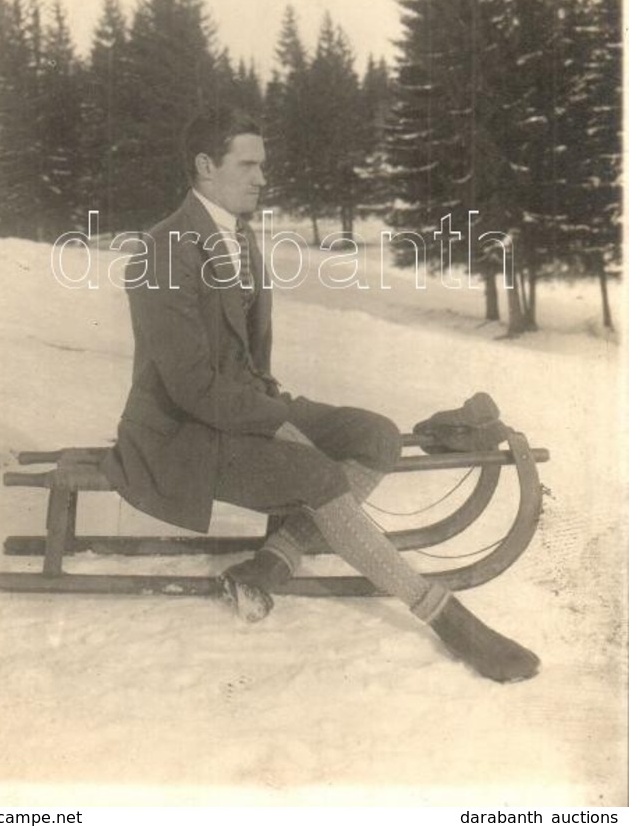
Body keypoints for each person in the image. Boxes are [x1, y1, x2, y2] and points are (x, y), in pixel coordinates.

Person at [103, 106, 540, 683]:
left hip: (242, 410)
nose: (262, 177)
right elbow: (191, 387)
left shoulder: (238, 236)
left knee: (375, 436)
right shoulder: (163, 249)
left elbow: (248, 361)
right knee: (319, 475)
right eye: (249, 164)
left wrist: (278, 412)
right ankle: (441, 612)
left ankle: (271, 563)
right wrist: (278, 427)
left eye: (264, 165)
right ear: (205, 166)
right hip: (182, 436)